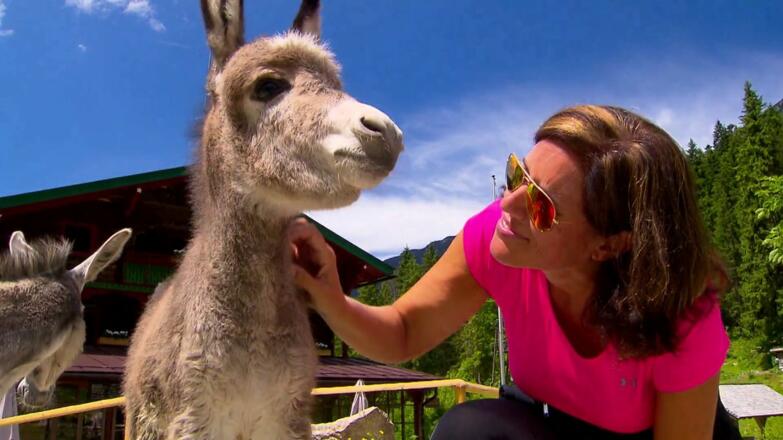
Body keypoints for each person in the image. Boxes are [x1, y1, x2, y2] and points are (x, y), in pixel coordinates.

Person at [287, 105, 741, 439]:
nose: (506, 204)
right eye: (516, 174)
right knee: (471, 431)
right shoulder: (496, 238)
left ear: (609, 244)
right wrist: (328, 296)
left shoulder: (682, 312)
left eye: (540, 204)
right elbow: (403, 331)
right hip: (557, 423)